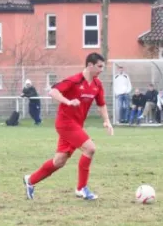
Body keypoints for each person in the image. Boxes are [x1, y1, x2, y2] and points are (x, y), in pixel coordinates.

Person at [23, 53, 113, 201]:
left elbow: (101, 104)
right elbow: (53, 91)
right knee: (90, 148)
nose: (102, 69)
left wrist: (107, 121)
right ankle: (81, 188)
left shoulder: (97, 85)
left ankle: (30, 181)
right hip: (65, 123)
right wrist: (68, 101)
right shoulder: (75, 80)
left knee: (59, 161)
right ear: (90, 65)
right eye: (99, 66)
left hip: (76, 125)